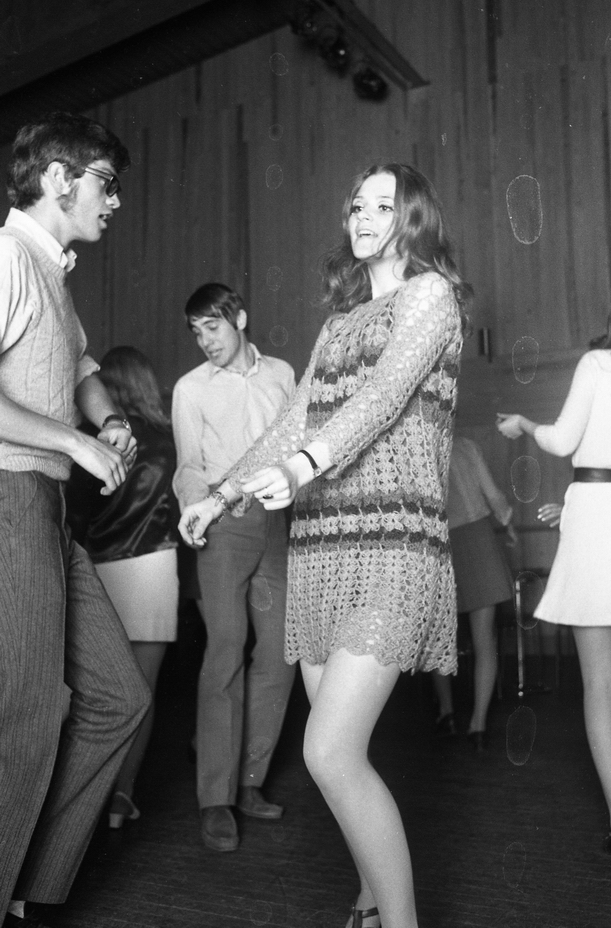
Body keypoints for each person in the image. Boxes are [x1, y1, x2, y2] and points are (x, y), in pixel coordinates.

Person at [178, 164, 472, 928]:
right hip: (319, 549)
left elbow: (384, 395)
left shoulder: (430, 295)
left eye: (383, 205)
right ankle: (372, 898)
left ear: (413, 217)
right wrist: (223, 493)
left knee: (328, 751)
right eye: (355, 205)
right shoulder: (338, 323)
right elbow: (292, 419)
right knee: (336, 758)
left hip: (393, 544)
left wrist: (303, 465)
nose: (363, 216)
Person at [0, 112, 151, 928]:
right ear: (58, 179)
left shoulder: (52, 274)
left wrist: (107, 420)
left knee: (118, 699)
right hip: (10, 500)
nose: (115, 201)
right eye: (106, 183)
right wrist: (74, 442)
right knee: (25, 718)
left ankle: (26, 886)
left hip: (49, 512)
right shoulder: (5, 257)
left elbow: (83, 367)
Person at [172, 283, 296, 852]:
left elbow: (298, 447)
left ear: (239, 319)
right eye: (196, 331)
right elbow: (188, 466)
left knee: (279, 652)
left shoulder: (282, 375)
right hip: (221, 523)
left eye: (213, 327)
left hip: (276, 522)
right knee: (225, 648)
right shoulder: (190, 388)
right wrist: (196, 507)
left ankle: (250, 780)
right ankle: (215, 800)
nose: (205, 340)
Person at [497, 316, 611, 852]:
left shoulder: (597, 363)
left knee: (600, 687)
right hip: (591, 510)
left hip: (595, 521)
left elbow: (564, 441)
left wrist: (524, 423)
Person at [65, 346, 180, 830]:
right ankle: (122, 797)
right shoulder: (169, 441)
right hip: (155, 566)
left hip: (99, 569)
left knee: (96, 695)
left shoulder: (90, 443)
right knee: (143, 691)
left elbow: (76, 514)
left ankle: (85, 803)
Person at [431, 435, 517, 751]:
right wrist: (507, 522)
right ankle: (477, 724)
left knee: (438, 641)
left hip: (439, 543)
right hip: (479, 540)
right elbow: (493, 495)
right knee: (484, 641)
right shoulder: (467, 446)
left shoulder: (419, 447)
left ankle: (447, 713)